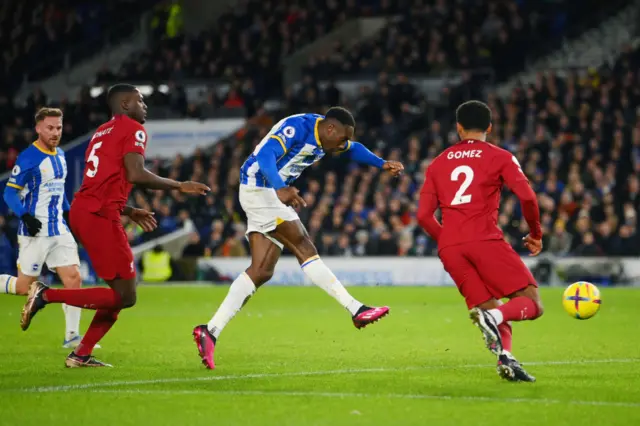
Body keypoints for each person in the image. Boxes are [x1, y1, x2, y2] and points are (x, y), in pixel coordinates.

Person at [192, 107, 404, 370]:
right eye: (339, 139)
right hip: (262, 188)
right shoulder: (297, 128)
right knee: (303, 244)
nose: (341, 145)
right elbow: (267, 154)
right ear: (329, 129)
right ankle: (355, 308)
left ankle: (209, 331)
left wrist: (381, 163)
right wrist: (280, 187)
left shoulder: (329, 136)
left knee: (260, 271)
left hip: (265, 191)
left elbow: (353, 148)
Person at [20, 84, 210, 368]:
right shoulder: (132, 128)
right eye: (140, 100)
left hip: (86, 211)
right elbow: (136, 173)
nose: (144, 106)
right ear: (124, 104)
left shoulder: (101, 132)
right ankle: (46, 295)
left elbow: (104, 180)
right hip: (98, 216)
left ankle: (80, 354)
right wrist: (179, 185)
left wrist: (129, 209)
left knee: (119, 295)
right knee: (126, 295)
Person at [417, 100, 544, 382]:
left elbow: (424, 216)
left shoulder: (437, 163)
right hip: (484, 239)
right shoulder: (500, 156)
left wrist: (450, 240)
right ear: (489, 126)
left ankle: (506, 360)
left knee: (490, 309)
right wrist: (535, 233)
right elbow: (527, 197)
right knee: (532, 303)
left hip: (449, 248)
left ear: (458, 128)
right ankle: (494, 322)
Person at [1, 107, 92, 349]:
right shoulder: (29, 158)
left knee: (73, 279)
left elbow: (59, 191)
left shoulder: (61, 155)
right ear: (38, 128)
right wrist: (24, 215)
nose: (55, 132)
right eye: (50, 128)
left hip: (59, 230)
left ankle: (72, 336)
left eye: (59, 128)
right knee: (23, 287)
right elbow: (9, 193)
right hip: (34, 232)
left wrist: (70, 215)